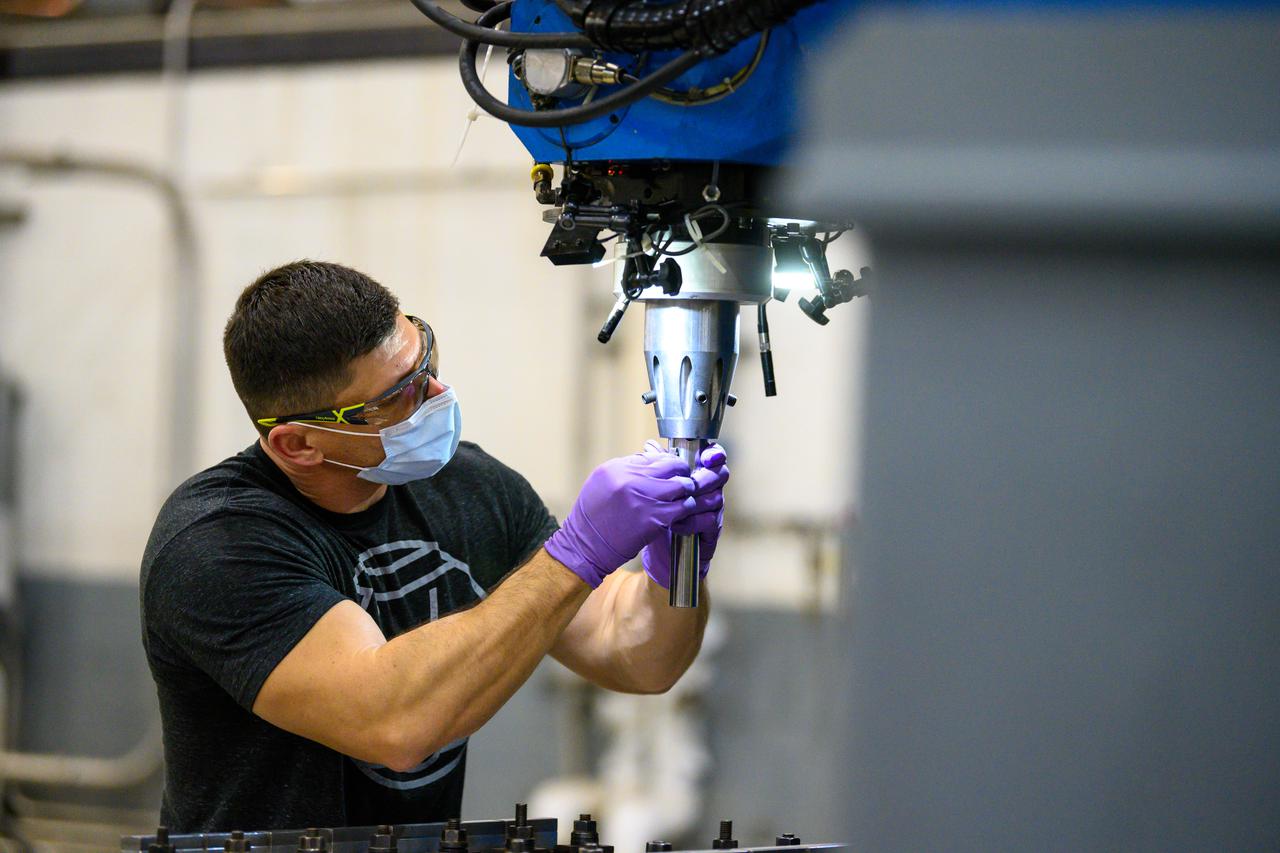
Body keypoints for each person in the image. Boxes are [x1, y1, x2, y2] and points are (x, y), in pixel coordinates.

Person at [139, 260, 728, 834]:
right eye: (398, 395)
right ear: (297, 445)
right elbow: (394, 722)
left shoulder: (470, 487)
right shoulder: (217, 542)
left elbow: (635, 656)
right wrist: (577, 553)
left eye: (425, 358)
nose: (438, 393)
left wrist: (673, 568)